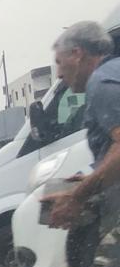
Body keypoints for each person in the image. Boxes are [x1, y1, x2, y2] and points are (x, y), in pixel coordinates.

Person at [41, 20, 120, 234]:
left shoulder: (100, 83)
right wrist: (95, 179)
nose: (58, 73)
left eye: (59, 61)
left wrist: (77, 197)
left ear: (77, 53)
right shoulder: (114, 73)